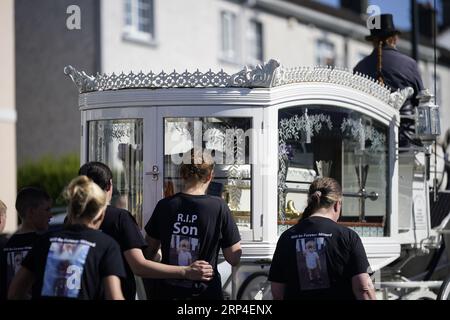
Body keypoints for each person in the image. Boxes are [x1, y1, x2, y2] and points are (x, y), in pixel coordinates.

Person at [78, 162, 213, 300]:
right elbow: (139, 266)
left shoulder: (72, 220)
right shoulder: (120, 218)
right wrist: (185, 271)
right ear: (109, 186)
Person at [8, 176, 125, 300]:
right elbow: (114, 296)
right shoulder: (107, 246)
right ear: (100, 214)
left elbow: (15, 293)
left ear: (71, 210)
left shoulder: (44, 242)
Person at [145, 151, 242, 300]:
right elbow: (233, 258)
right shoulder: (219, 207)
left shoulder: (165, 206)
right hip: (205, 293)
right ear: (210, 176)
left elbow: (148, 253)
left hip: (168, 292)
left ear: (183, 174)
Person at [269, 177, 376, 300]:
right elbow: (363, 287)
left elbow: (277, 291)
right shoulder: (347, 236)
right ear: (337, 204)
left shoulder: (286, 237)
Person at [354, 13, 424, 147]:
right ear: (395, 38)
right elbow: (420, 103)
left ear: (373, 40)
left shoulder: (359, 68)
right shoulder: (410, 64)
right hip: (405, 142)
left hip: (371, 143)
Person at [0, 188, 52, 300]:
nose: (50, 215)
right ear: (31, 212)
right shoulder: (45, 244)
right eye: (47, 210)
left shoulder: (4, 244)